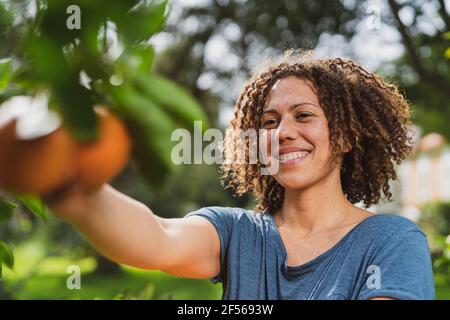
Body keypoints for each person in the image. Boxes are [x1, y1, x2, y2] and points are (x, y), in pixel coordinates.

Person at [47, 50, 435, 300]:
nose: (282, 132)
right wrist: (71, 189)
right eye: (269, 121)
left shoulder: (393, 242)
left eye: (304, 116)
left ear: (346, 136)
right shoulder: (237, 233)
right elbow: (157, 238)